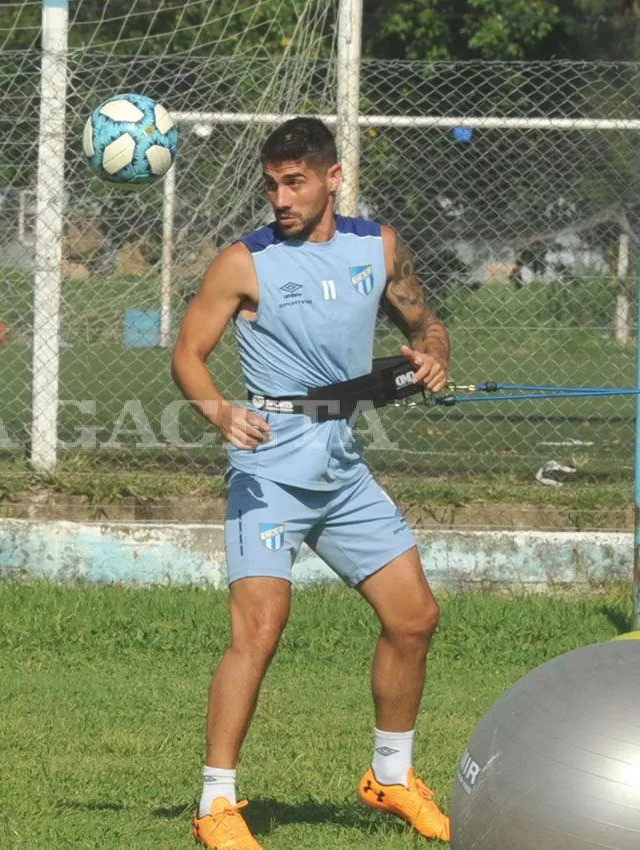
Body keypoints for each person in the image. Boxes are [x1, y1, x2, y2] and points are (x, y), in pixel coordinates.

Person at [171, 117, 453, 848]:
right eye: (271, 185)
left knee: (414, 618)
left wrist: (433, 356)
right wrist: (218, 411)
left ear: (333, 177)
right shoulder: (244, 262)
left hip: (341, 468)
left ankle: (390, 776)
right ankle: (216, 806)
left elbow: (427, 324)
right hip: (269, 470)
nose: (280, 198)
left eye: (294, 182)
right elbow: (188, 355)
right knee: (259, 632)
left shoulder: (378, 245)